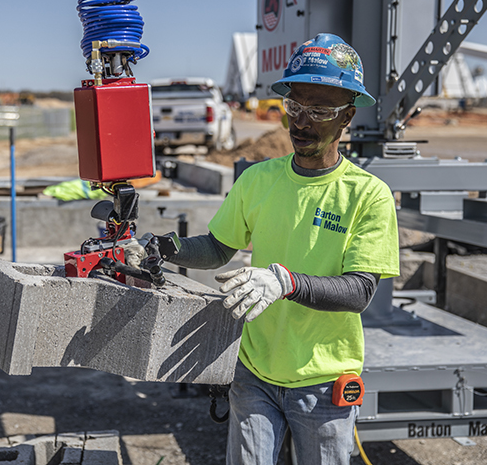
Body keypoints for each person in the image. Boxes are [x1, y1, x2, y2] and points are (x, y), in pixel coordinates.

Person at [126, 33, 400, 464]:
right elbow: (218, 248)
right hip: (253, 372)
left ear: (348, 116)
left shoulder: (368, 195)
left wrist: (285, 282)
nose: (302, 122)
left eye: (320, 110)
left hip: (325, 380)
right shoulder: (257, 180)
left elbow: (360, 290)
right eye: (295, 107)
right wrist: (165, 248)